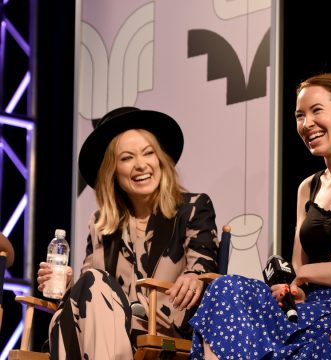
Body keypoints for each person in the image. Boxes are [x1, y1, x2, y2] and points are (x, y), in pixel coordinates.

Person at [190, 73, 331, 359]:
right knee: (225, 287)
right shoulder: (308, 187)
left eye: (317, 111)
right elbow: (297, 264)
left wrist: (306, 275)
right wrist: (292, 288)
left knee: (302, 337)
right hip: (312, 303)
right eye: (299, 116)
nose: (307, 124)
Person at [36, 107, 219, 358]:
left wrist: (194, 277)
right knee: (83, 291)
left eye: (148, 153)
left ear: (160, 160)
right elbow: (91, 288)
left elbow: (204, 269)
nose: (141, 165)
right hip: (108, 328)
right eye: (127, 158)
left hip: (163, 331)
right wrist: (68, 285)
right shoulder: (101, 224)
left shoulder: (193, 208)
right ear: (112, 171)